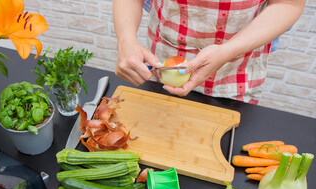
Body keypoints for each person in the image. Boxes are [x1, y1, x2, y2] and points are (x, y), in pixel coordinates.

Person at [112, 0, 305, 104]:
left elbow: (289, 3)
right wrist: (125, 40)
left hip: (234, 73)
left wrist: (228, 50)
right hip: (161, 67)